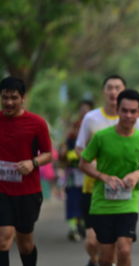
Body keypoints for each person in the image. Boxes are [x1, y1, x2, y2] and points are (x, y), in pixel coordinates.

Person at [75, 75, 139, 266]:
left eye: (118, 88)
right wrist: (98, 167)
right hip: (94, 187)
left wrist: (137, 174)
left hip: (124, 193)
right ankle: (94, 259)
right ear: (103, 92)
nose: (114, 92)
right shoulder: (91, 119)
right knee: (92, 242)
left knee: (122, 248)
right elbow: (80, 149)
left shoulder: (135, 122)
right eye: (110, 88)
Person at [0, 77, 52, 266]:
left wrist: (32, 162)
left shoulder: (36, 123)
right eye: (5, 97)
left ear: (22, 98)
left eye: (14, 97)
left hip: (27, 192)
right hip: (2, 190)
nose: (9, 102)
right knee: (3, 238)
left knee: (25, 243)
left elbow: (48, 154)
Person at [59, 100, 94, 242]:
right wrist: (67, 154)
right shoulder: (72, 130)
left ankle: (86, 226)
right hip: (74, 173)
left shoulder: (96, 130)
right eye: (82, 109)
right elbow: (63, 151)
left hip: (91, 173)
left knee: (87, 201)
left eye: (87, 109)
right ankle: (73, 228)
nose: (84, 112)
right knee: (73, 200)